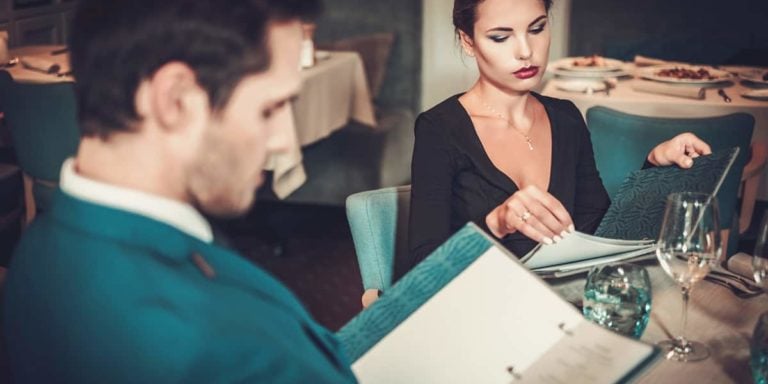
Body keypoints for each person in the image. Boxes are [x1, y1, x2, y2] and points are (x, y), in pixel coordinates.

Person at [2, 0, 358, 382]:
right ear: (175, 100)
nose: (285, 142)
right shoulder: (226, 354)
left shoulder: (38, 247)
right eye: (270, 109)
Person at [408, 0, 711, 265]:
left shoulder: (566, 117)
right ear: (468, 41)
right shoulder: (439, 129)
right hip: (487, 309)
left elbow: (598, 233)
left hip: (566, 305)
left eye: (537, 29)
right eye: (500, 37)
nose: (526, 51)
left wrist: (654, 169)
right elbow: (422, 267)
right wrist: (496, 224)